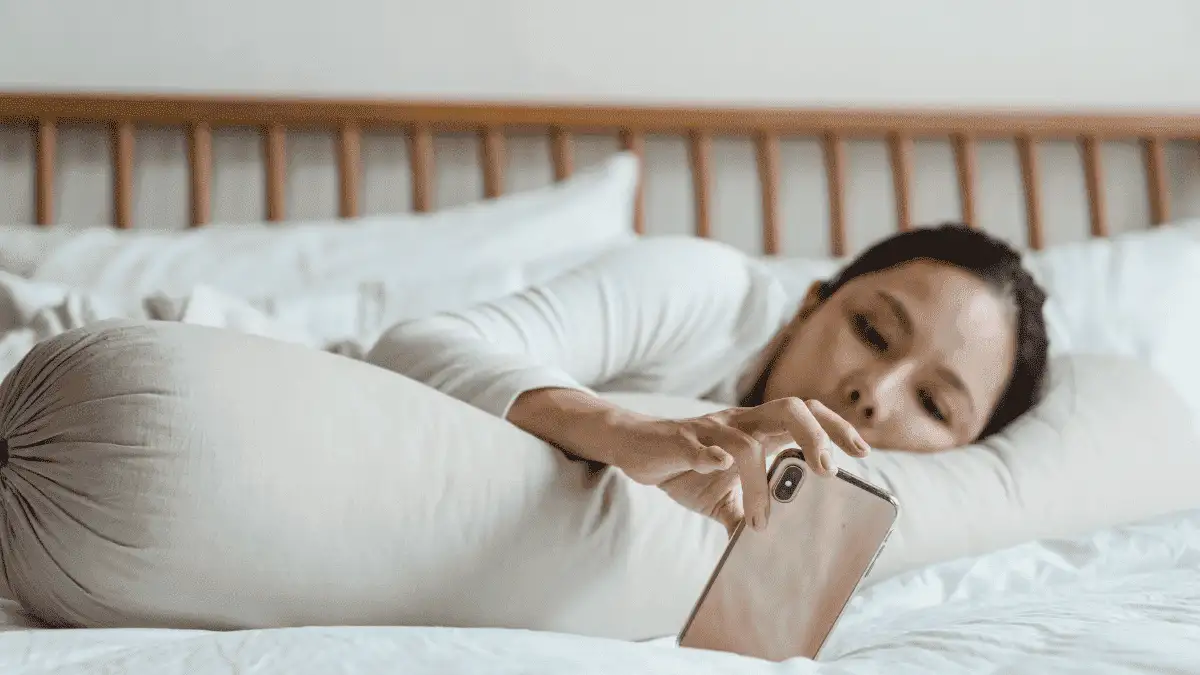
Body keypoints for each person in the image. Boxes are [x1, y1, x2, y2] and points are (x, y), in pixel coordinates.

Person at [367, 222, 1049, 534]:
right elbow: (415, 345)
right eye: (870, 332)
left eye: (932, 403)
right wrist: (620, 429)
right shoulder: (705, 289)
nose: (875, 392)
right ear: (810, 302)